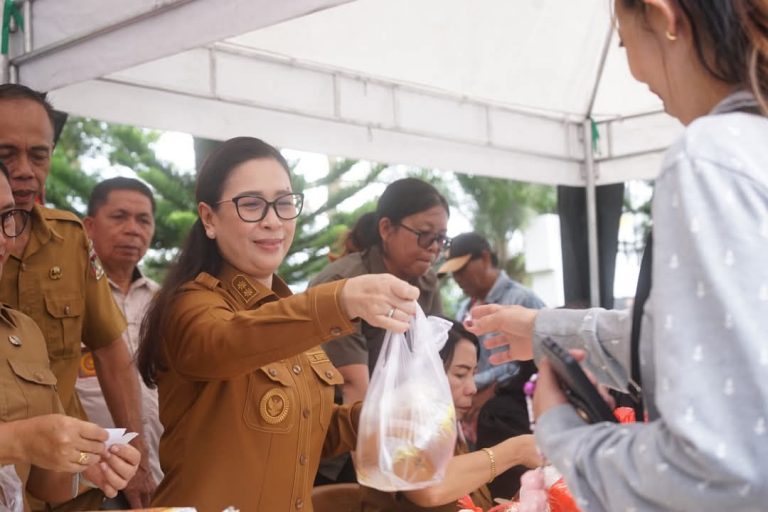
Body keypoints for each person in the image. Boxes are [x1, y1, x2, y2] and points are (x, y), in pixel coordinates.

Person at [467, 1, 768, 510]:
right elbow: (698, 335)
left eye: (627, 44)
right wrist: (543, 330)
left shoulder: (711, 154)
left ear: (664, 17)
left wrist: (566, 435)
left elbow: (721, 469)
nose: (638, 75)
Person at [136, 136, 420, 511]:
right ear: (209, 218)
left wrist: (381, 415)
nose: (273, 221)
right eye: (251, 204)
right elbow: (226, 342)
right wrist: (340, 299)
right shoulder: (189, 305)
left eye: (284, 204)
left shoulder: (290, 315)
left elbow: (306, 426)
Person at [0, 84, 152, 509]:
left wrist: (133, 460)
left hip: (67, 478)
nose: (26, 170)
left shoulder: (70, 239)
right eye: (7, 153)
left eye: (39, 154)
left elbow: (111, 351)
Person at [309, 178, 449, 485]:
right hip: (336, 446)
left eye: (441, 239)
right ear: (386, 229)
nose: (434, 248)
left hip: (399, 437)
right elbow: (352, 386)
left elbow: (428, 371)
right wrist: (378, 469)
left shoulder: (425, 284)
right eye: (425, 236)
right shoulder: (343, 284)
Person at [359, 320, 542, 511]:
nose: (472, 389)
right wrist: (516, 450)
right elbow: (429, 489)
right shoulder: (399, 423)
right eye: (460, 375)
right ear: (424, 374)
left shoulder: (445, 428)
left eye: (473, 374)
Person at [438, 232, 544, 497]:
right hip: (468, 414)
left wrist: (485, 393)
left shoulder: (522, 301)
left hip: (512, 412)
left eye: (462, 269)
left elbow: (536, 361)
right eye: (453, 273)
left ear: (484, 258)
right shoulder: (464, 308)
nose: (458, 279)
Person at [76, 178, 164, 489]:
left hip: (159, 473)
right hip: (85, 480)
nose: (132, 229)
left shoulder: (165, 302)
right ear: (89, 226)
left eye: (143, 220)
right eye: (119, 216)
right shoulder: (67, 301)